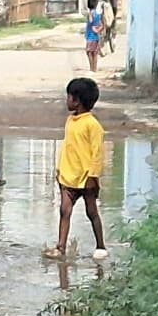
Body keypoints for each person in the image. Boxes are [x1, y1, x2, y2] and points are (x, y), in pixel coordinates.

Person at [45, 77, 108, 261]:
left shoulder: (92, 125)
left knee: (92, 212)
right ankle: (61, 247)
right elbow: (68, 147)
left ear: (77, 100)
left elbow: (97, 153)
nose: (67, 100)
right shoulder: (70, 121)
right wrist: (59, 170)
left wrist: (93, 176)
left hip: (86, 177)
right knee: (65, 210)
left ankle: (101, 246)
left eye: (69, 97)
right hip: (68, 176)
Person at [84, 0, 103, 72]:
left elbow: (91, 22)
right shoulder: (98, 15)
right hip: (96, 36)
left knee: (89, 52)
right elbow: (102, 24)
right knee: (95, 53)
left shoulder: (90, 14)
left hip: (90, 36)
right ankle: (95, 68)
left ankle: (91, 68)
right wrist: (98, 30)